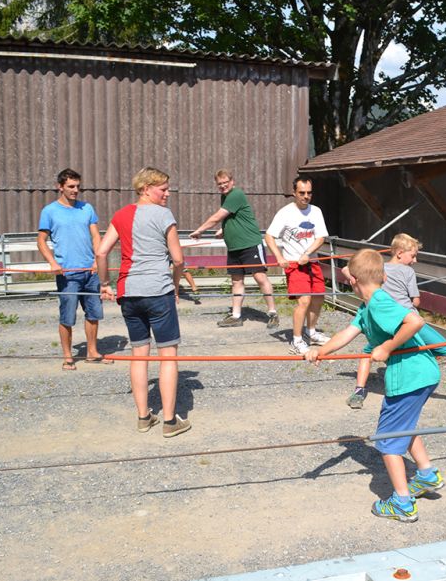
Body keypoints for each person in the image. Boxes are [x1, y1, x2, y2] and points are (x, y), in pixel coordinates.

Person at [305, 249, 442, 522]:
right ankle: (426, 475)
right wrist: (320, 352)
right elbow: (347, 333)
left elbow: (415, 321)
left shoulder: (379, 302)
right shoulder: (367, 307)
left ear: (353, 280)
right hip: (421, 374)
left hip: (409, 377)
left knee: (387, 440)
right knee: (404, 425)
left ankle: (402, 503)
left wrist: (387, 347)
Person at [342, 233, 446, 409]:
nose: (415, 260)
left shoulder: (377, 270)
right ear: (399, 253)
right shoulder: (408, 271)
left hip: (385, 325)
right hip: (410, 321)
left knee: (367, 353)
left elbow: (347, 270)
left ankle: (359, 390)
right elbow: (416, 301)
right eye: (413, 255)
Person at [96, 167, 191, 438]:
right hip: (157, 291)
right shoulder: (163, 215)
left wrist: (105, 284)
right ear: (146, 188)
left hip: (129, 293)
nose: (167, 193)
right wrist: (175, 285)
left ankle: (143, 417)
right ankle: (170, 421)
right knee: (168, 356)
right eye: (163, 189)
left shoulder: (121, 214)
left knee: (139, 354)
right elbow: (179, 259)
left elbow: (102, 252)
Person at [36, 168, 107, 371]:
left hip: (90, 271)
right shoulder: (49, 211)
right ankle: (68, 356)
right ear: (60, 187)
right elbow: (41, 241)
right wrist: (53, 263)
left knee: (94, 313)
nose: (75, 190)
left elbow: (95, 236)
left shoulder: (87, 208)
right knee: (67, 316)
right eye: (71, 186)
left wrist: (97, 260)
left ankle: (92, 352)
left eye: (77, 186)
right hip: (67, 274)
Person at [191, 169, 277, 327]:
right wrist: (224, 230)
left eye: (225, 182)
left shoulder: (236, 194)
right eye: (220, 184)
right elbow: (236, 217)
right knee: (236, 280)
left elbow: (217, 217)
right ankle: (236, 316)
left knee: (260, 277)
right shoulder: (224, 197)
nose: (223, 186)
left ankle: (272, 313)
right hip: (234, 247)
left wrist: (200, 230)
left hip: (250, 244)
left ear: (232, 181)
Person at [264, 174, 330, 354]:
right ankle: (297, 340)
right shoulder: (285, 213)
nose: (306, 196)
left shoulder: (316, 211)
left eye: (309, 192)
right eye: (302, 193)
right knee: (304, 301)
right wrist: (279, 257)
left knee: (318, 298)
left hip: (312, 262)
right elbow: (269, 236)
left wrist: (307, 253)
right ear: (294, 192)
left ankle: (311, 332)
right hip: (294, 264)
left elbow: (320, 237)